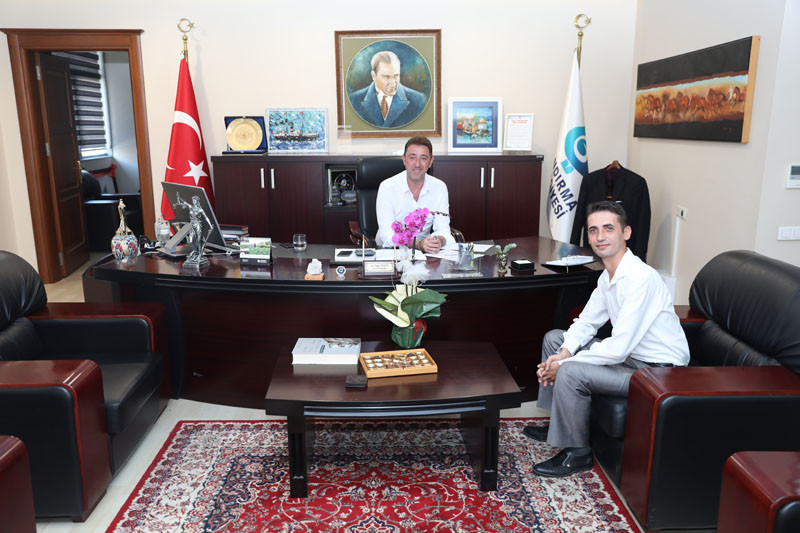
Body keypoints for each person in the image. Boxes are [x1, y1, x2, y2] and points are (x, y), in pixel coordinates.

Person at [525, 200, 689, 477]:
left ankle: (578, 453)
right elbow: (587, 322)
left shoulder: (640, 279)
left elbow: (618, 348)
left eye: (608, 228)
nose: (600, 236)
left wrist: (563, 365)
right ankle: (559, 424)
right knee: (555, 339)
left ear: (626, 232)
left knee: (572, 371)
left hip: (655, 372)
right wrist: (563, 353)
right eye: (593, 230)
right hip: (629, 359)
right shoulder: (608, 276)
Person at [375, 136, 453, 254]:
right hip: (390, 251)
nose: (417, 164)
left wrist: (437, 242)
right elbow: (387, 235)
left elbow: (443, 230)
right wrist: (419, 244)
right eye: (412, 157)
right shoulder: (387, 187)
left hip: (425, 252)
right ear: (404, 160)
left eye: (423, 158)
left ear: (430, 162)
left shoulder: (439, 187)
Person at [348, 51, 427, 129]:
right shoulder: (354, 100)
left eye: (396, 76)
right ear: (373, 76)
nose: (392, 83)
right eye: (386, 77)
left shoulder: (419, 100)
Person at [173, 192, 213, 266]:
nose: (193, 201)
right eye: (193, 200)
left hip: (198, 224)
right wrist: (179, 197)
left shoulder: (200, 210)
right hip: (192, 224)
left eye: (194, 200)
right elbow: (184, 202)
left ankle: (199, 253)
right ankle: (195, 251)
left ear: (197, 201)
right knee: (191, 240)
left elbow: (206, 217)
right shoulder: (191, 207)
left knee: (198, 239)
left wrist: (210, 226)